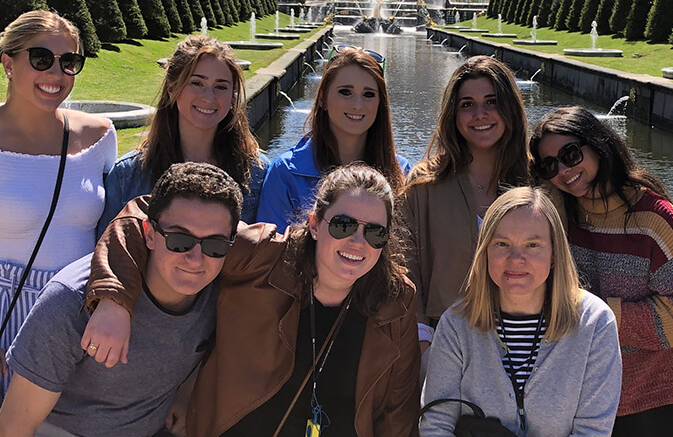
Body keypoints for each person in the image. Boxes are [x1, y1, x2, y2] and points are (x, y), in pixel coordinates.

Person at [81, 163, 420, 437]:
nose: (358, 242)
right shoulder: (262, 256)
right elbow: (144, 215)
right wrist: (114, 297)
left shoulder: (395, 302)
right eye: (344, 225)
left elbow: (397, 414)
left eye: (375, 232)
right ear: (315, 225)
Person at [0, 163, 238, 436]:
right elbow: (13, 428)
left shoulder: (219, 296)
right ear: (149, 234)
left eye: (215, 245)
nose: (196, 260)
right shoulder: (70, 302)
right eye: (179, 240)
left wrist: (186, 392)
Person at [530, 106, 673, 437]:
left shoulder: (653, 216)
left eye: (571, 154)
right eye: (551, 165)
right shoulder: (560, 214)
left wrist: (594, 312)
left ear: (597, 144)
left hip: (657, 392)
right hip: (592, 388)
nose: (563, 170)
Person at [420, 187, 623, 437]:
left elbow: (592, 432)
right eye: (502, 243)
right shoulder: (456, 324)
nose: (516, 258)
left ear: (554, 252)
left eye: (533, 245)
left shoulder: (595, 324)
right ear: (485, 251)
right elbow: (436, 424)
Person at [0, 11, 116, 397]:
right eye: (40, 59)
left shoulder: (98, 136)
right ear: (8, 64)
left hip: (75, 313)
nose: (56, 73)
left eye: (69, 62)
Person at [399, 56, 530, 345]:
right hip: (444, 341)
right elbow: (407, 266)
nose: (480, 114)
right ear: (453, 115)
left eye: (492, 102)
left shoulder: (537, 182)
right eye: (467, 105)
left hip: (527, 343)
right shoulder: (426, 183)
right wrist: (422, 341)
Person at [96, 36, 267, 235]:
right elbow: (106, 257)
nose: (209, 98)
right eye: (197, 83)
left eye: (221, 87)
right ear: (171, 89)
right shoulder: (128, 175)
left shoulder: (257, 173)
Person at [259, 46, 410, 232]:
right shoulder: (285, 174)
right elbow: (269, 254)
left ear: (381, 104)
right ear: (322, 98)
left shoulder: (402, 173)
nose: (357, 105)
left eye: (369, 94)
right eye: (345, 92)